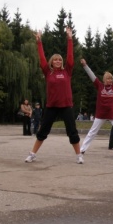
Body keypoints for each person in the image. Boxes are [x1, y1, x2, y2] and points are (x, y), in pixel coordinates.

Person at [25, 27, 82, 164]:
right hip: (52, 106)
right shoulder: (47, 72)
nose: (58, 61)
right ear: (51, 62)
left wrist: (69, 39)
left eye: (59, 60)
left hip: (66, 106)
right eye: (55, 60)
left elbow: (70, 58)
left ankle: (79, 155)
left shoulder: (67, 71)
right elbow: (42, 58)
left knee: (72, 132)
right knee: (42, 132)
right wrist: (39, 42)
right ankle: (33, 154)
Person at [79, 58, 113, 159]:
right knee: (92, 132)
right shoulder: (99, 86)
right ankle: (82, 150)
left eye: (111, 79)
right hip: (101, 114)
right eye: (108, 79)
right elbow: (92, 76)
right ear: (104, 80)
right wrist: (85, 65)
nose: (110, 80)